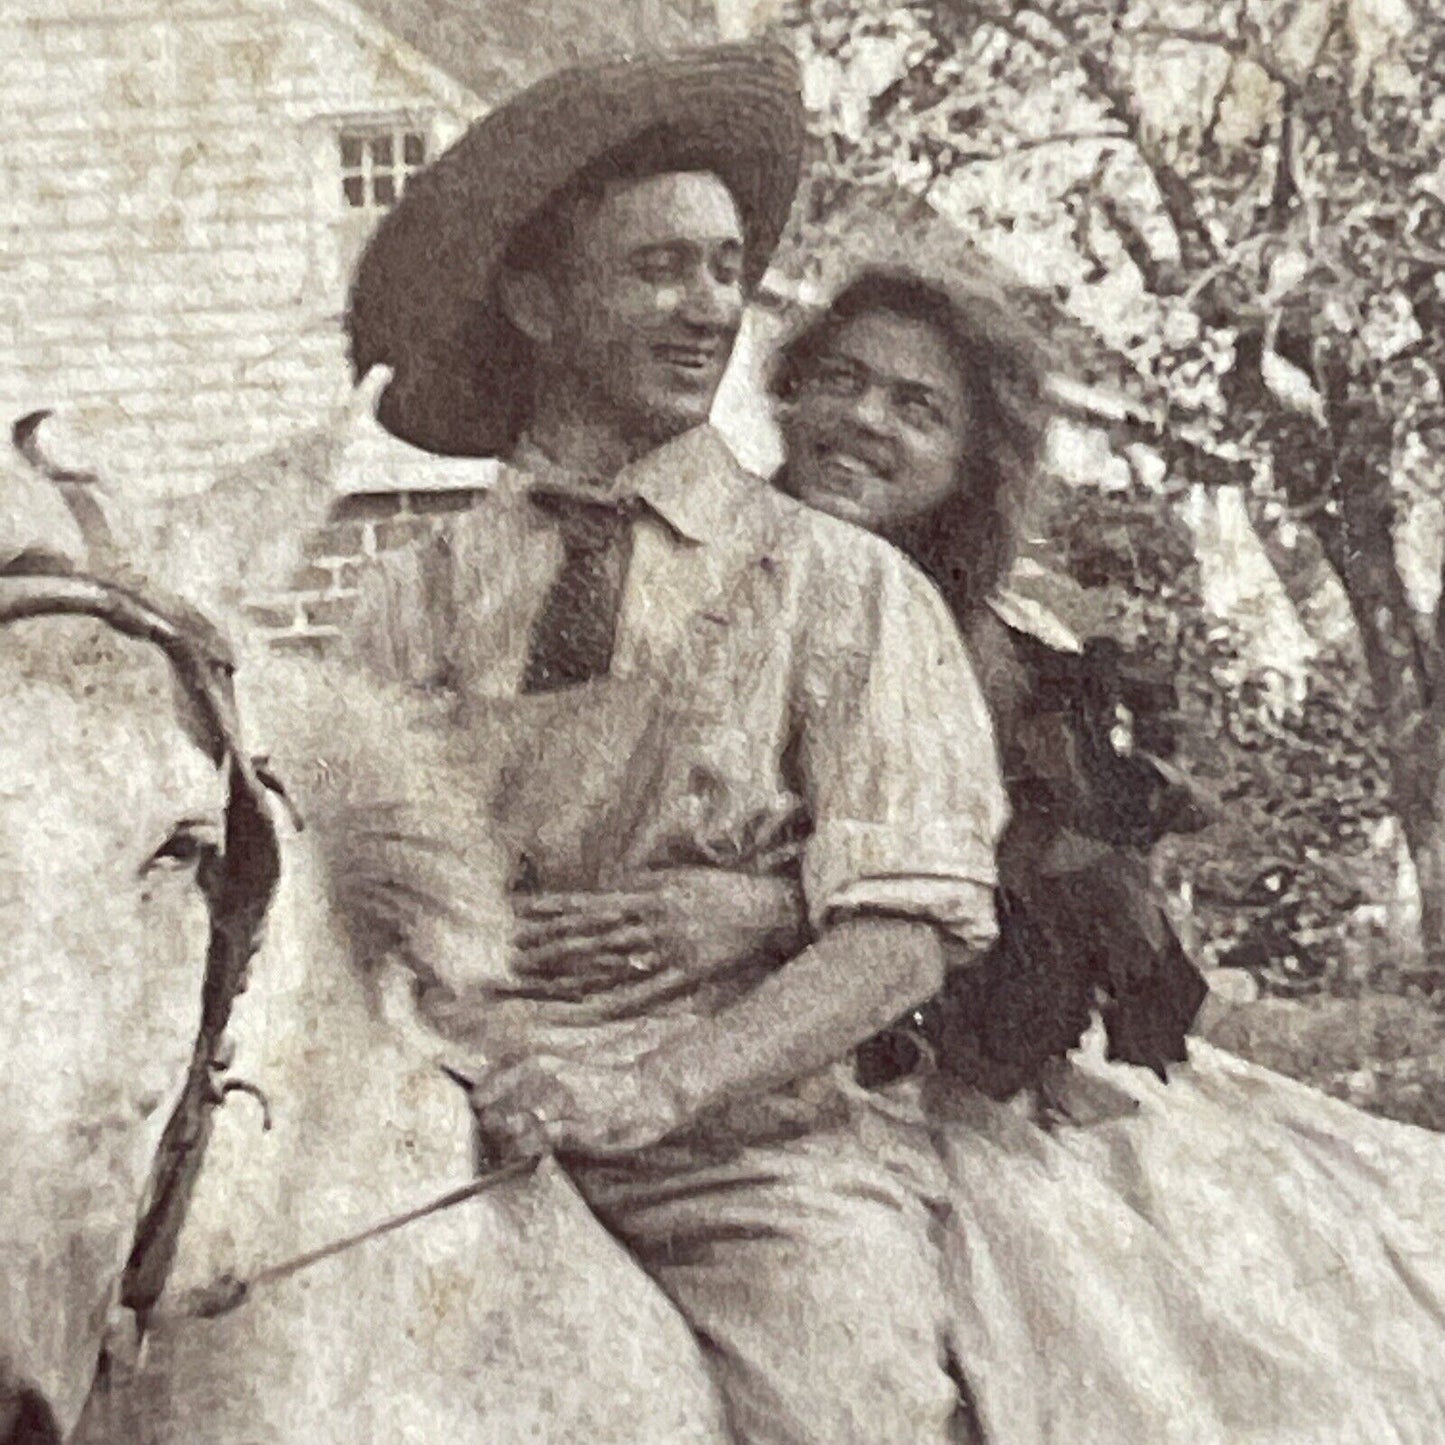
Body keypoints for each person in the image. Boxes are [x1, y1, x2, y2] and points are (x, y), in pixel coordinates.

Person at [524, 265, 1445, 1441]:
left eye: (917, 409)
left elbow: (1057, 940)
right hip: (640, 1035)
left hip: (930, 1075)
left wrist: (772, 912)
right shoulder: (684, 576)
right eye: (842, 383)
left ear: (970, 458)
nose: (865, 420)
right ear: (788, 397)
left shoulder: (1007, 652)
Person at [337, 43, 1008, 1445]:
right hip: (439, 1127)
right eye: (659, 269)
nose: (710, 307)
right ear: (535, 300)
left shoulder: (841, 587)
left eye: (724, 269)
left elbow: (908, 929)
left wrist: (654, 1085)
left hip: (740, 1163)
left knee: (853, 1405)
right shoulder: (415, 597)